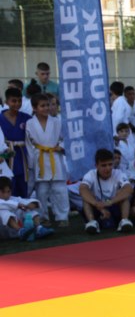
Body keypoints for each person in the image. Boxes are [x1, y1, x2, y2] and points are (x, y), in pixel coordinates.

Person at [26, 93, 69, 228]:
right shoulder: (29, 123)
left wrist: (61, 147)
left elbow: (65, 138)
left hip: (55, 156)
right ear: (34, 108)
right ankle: (44, 216)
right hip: (39, 158)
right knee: (42, 191)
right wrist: (32, 162)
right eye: (42, 106)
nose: (46, 108)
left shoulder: (57, 121)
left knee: (60, 189)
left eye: (48, 105)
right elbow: (28, 144)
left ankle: (62, 216)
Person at [79, 148, 134, 234]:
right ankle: (92, 222)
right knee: (86, 198)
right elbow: (82, 189)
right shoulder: (91, 174)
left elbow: (129, 189)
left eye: (110, 164)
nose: (108, 168)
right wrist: (97, 204)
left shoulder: (118, 173)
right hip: (97, 207)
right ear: (96, 166)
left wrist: (110, 202)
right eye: (104, 165)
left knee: (124, 195)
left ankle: (124, 220)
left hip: (113, 206)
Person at [0, 87, 32, 197]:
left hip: (22, 154)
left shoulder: (27, 118)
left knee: (23, 181)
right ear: (6, 102)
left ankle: (24, 208)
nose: (17, 104)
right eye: (14, 101)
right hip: (5, 155)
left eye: (19, 101)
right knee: (7, 181)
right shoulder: (0, 118)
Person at [0, 176, 53, 240]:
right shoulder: (13, 202)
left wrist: (30, 205)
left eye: (8, 191)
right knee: (4, 212)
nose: (6, 194)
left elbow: (29, 202)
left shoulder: (14, 199)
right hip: (3, 232)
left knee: (27, 210)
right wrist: (18, 205)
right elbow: (3, 203)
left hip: (17, 232)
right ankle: (20, 231)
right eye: (3, 192)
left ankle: (39, 228)